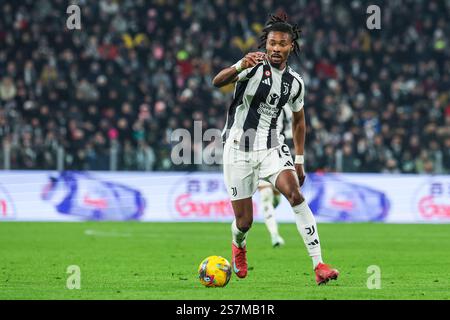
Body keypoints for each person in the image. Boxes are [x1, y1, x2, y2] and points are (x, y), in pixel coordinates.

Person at [212, 13, 339, 285]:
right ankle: (239, 245)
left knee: (295, 194)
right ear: (265, 44)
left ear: (291, 46)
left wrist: (300, 160)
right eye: (272, 43)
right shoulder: (252, 65)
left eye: (282, 43)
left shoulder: (295, 82)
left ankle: (319, 265)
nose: (276, 48)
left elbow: (299, 120)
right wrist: (237, 66)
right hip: (238, 149)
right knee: (244, 222)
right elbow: (217, 81)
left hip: (271, 146)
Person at [257, 104, 293, 248]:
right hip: (258, 153)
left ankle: (269, 213)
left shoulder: (285, 106)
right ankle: (275, 236)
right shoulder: (255, 99)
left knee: (275, 201)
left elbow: (292, 130)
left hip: (278, 155)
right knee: (266, 197)